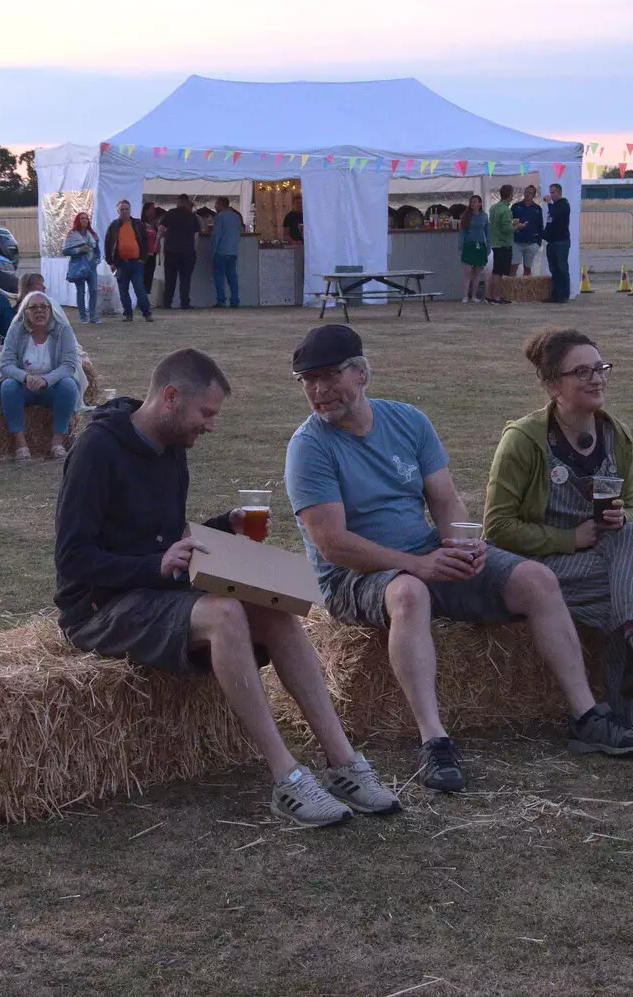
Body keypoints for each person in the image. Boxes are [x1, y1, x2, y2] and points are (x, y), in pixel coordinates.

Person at [284, 325, 633, 795]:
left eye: (328, 376)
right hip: (353, 577)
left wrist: (461, 542)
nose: (318, 391)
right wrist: (418, 565)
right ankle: (434, 739)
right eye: (307, 381)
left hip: (424, 553)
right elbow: (333, 544)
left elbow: (443, 500)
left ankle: (587, 714)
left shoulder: (407, 421)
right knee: (411, 593)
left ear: (361, 374)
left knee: (538, 579)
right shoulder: (309, 446)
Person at [56, 348, 400, 827]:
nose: (211, 426)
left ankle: (343, 762)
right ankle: (286, 777)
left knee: (271, 607)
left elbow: (161, 534)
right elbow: (73, 558)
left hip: (154, 591)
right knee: (225, 614)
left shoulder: (170, 450)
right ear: (172, 398)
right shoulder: (97, 451)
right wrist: (154, 566)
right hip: (99, 607)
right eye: (206, 413)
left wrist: (223, 526)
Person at [484, 328, 633, 742]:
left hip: (601, 557)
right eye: (582, 371)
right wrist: (568, 539)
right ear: (552, 384)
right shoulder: (523, 441)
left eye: (600, 367)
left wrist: (621, 517)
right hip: (540, 568)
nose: (596, 379)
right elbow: (497, 528)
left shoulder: (617, 436)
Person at [0, 292, 83, 462]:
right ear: (25, 312)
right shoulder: (16, 330)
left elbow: (69, 365)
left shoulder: (63, 329)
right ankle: (21, 445)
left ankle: (57, 443)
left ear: (50, 311)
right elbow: (6, 365)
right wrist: (25, 378)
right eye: (34, 307)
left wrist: (47, 380)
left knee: (68, 384)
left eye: (44, 307)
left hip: (52, 387)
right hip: (25, 387)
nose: (40, 311)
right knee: (8, 386)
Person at [103, 199, 153, 322]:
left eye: (126, 209)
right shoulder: (114, 226)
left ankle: (147, 313)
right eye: (122, 209)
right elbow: (108, 244)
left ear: (130, 210)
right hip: (120, 263)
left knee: (139, 288)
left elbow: (145, 242)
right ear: (118, 211)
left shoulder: (138, 224)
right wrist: (111, 262)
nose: (124, 211)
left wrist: (143, 258)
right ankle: (128, 314)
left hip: (137, 262)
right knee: (123, 290)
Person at [159, 194, 200, 310]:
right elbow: (196, 235)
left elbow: (161, 228)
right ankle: (185, 303)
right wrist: (194, 249)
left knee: (170, 279)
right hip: (187, 251)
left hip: (171, 250)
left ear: (178, 201)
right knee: (185, 279)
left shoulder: (170, 213)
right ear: (187, 203)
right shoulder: (192, 217)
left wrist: (160, 241)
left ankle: (167, 303)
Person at [62, 212, 101, 325]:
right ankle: (83, 317)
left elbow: (97, 249)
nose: (85, 220)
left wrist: (97, 259)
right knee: (81, 291)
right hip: (79, 266)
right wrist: (79, 250)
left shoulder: (92, 234)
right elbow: (65, 251)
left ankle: (93, 316)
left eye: (86, 218)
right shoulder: (72, 235)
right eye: (82, 218)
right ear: (78, 221)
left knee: (93, 290)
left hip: (91, 266)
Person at [209, 196, 242, 308]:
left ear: (221, 204)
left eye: (216, 204)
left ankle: (221, 300)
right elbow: (239, 233)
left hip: (221, 250)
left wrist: (212, 251)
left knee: (219, 276)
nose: (215, 206)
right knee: (232, 276)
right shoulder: (236, 216)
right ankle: (235, 300)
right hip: (233, 251)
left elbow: (216, 235)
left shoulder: (220, 217)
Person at [458, 194, 490, 304]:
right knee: (467, 271)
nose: (473, 204)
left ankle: (474, 296)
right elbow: (462, 233)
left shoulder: (484, 216)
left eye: (475, 202)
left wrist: (488, 247)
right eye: (471, 202)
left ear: (480, 204)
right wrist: (460, 247)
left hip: (480, 245)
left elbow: (488, 233)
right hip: (468, 245)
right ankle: (465, 296)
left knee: (477, 273)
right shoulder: (465, 216)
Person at [544, 182, 572, 303]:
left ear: (559, 192)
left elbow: (556, 214)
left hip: (561, 241)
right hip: (552, 242)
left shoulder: (564, 205)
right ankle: (556, 293)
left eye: (553, 192)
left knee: (562, 268)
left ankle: (564, 294)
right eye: (550, 192)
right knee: (554, 269)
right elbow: (550, 221)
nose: (551, 195)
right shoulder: (553, 206)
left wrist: (550, 203)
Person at [488, 184, 516, 297]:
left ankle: (490, 295)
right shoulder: (506, 210)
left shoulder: (493, 208)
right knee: (499, 272)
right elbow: (506, 228)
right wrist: (516, 227)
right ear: (510, 195)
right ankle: (497, 297)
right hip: (504, 244)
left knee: (495, 270)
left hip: (495, 243)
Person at [511, 185, 544, 276]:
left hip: (531, 243)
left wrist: (538, 243)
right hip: (517, 242)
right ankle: (512, 289)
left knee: (527, 269)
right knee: (513, 267)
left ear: (534, 195)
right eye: (527, 192)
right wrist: (517, 226)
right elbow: (510, 222)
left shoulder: (537, 209)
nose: (528, 194)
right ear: (524, 193)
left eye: (531, 193)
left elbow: (540, 226)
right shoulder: (515, 206)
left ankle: (524, 289)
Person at [141, 203, 162, 307]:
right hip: (144, 254)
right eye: (152, 209)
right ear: (146, 211)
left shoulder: (153, 224)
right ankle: (141, 299)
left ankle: (146, 299)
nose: (154, 211)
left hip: (152, 254)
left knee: (149, 276)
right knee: (143, 276)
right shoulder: (141, 224)